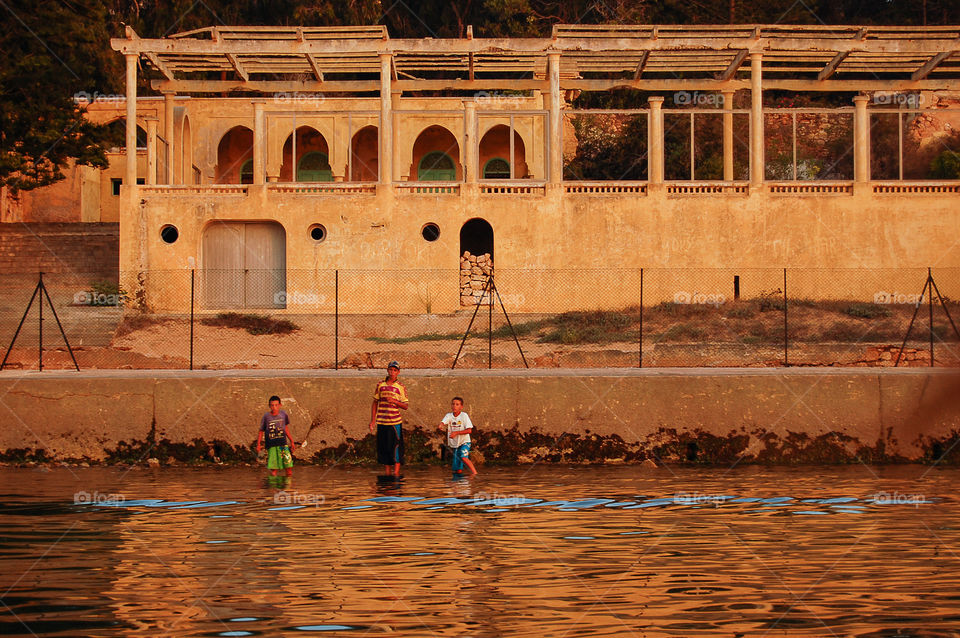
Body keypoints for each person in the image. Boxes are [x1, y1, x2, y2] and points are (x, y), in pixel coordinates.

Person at [369, 361, 408, 475]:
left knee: (395, 448)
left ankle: (395, 474)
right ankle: (387, 474)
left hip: (394, 423)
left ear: (398, 372)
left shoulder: (400, 387)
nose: (392, 372)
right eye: (390, 370)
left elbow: (405, 406)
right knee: (384, 448)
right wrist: (373, 420)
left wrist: (395, 401)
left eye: (395, 370)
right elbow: (375, 403)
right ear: (387, 370)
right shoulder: (380, 385)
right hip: (382, 422)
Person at [256, 395, 296, 477]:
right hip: (271, 445)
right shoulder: (266, 417)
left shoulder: (283, 414)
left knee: (288, 467)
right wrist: (258, 444)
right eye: (272, 405)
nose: (274, 407)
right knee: (274, 469)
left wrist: (292, 441)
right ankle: (273, 487)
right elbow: (261, 431)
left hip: (283, 444)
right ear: (269, 406)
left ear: (280, 405)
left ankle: (287, 487)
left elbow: (286, 428)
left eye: (276, 405)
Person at [439, 396, 477, 475]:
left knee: (463, 457)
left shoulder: (464, 416)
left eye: (457, 404)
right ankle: (458, 480)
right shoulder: (449, 415)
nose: (454, 406)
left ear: (461, 407)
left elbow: (469, 430)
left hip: (465, 442)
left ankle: (475, 473)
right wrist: (441, 425)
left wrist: (456, 433)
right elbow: (443, 422)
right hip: (455, 444)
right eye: (453, 404)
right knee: (457, 467)